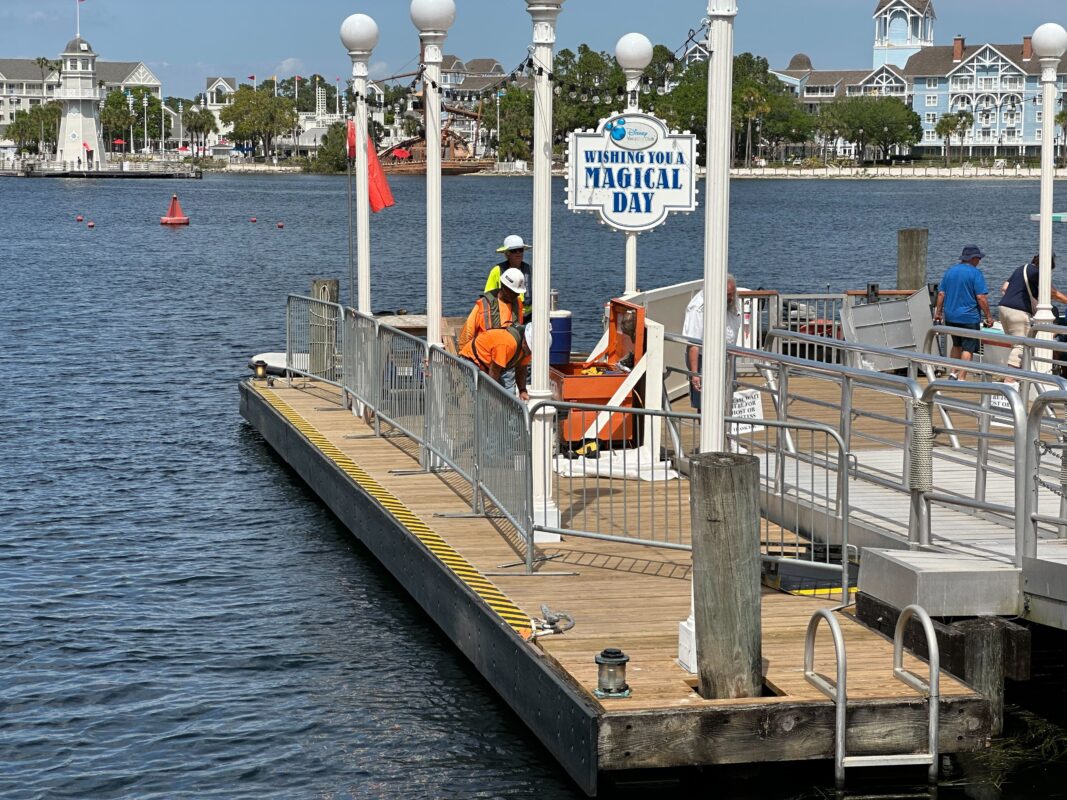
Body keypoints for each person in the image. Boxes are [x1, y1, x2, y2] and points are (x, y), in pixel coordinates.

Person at [933, 245, 994, 381]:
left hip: (951, 316)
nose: (979, 261)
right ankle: (962, 378)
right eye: (978, 258)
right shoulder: (975, 273)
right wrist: (989, 316)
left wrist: (938, 313)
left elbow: (941, 294)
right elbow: (981, 297)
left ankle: (953, 373)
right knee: (968, 348)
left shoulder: (950, 271)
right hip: (969, 317)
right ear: (972, 258)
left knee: (956, 345)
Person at [682, 274, 741, 410]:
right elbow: (693, 344)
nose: (731, 298)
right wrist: (695, 374)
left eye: (732, 294)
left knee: (727, 399)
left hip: (727, 356)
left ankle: (724, 430)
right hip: (703, 359)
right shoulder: (698, 308)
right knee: (704, 404)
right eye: (727, 295)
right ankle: (705, 429)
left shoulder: (732, 302)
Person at [998, 253, 1067, 369]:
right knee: (1022, 346)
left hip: (1003, 308)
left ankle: (1018, 377)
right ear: (1048, 266)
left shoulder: (1022, 268)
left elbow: (1004, 288)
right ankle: (1010, 380)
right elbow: (1052, 293)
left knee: (1015, 344)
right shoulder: (1037, 273)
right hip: (1018, 312)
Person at [460, 322, 545, 401]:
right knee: (480, 396)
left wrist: (522, 390)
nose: (530, 353)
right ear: (525, 342)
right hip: (471, 359)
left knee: (507, 397)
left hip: (492, 365)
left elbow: (521, 369)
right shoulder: (508, 344)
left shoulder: (527, 350)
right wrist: (491, 395)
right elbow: (494, 370)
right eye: (530, 350)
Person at [458, 267, 525, 350]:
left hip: (508, 356)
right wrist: (463, 356)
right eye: (513, 292)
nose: (516, 295)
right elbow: (467, 333)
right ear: (503, 286)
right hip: (484, 356)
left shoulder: (518, 304)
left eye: (517, 293)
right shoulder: (484, 304)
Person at [485, 235, 532, 319]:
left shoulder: (530, 270)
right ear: (507, 254)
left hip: (528, 316)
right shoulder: (497, 271)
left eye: (520, 250)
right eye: (514, 250)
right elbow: (488, 296)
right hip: (505, 315)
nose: (518, 253)